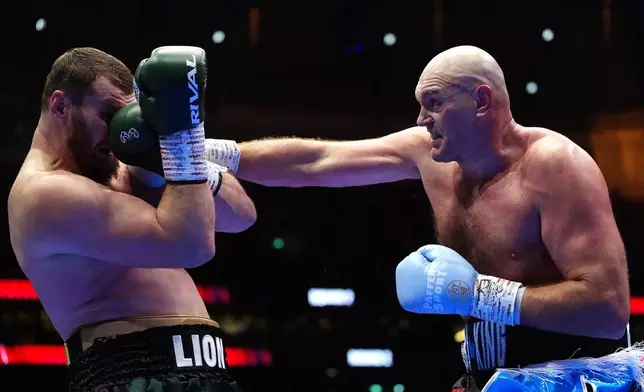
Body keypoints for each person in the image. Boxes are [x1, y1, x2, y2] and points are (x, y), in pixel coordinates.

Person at [204, 46, 639, 391]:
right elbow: (319, 160)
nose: (421, 120)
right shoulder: (431, 157)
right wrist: (215, 153)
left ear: (482, 101)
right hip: (489, 377)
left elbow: (608, 309)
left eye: (433, 103)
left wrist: (480, 295)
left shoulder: (554, 165)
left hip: (577, 379)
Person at [8, 46, 255, 391]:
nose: (116, 133)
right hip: (131, 378)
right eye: (108, 115)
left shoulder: (118, 167)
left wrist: (168, 147)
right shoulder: (44, 194)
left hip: (205, 371)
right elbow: (191, 246)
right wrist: (180, 135)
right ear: (60, 106)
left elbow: (242, 215)